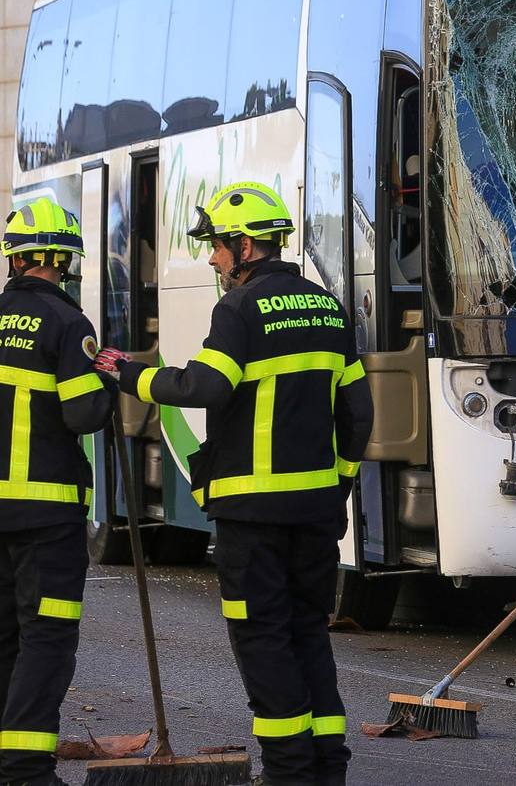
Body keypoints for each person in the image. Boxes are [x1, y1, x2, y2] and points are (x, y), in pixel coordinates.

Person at [96, 183, 373, 786]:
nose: (213, 259)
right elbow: (359, 413)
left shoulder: (239, 309)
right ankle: (327, 767)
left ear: (246, 247)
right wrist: (338, 488)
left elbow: (204, 386)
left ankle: (289, 773)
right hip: (316, 513)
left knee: (262, 640)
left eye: (218, 247)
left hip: (252, 515)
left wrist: (130, 376)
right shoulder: (329, 308)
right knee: (308, 634)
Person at [0, 198, 115, 786]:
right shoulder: (69, 325)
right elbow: (84, 414)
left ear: (15, 258)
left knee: (4, 638)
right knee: (46, 639)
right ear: (63, 261)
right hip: (45, 513)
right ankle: (24, 769)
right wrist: (108, 379)